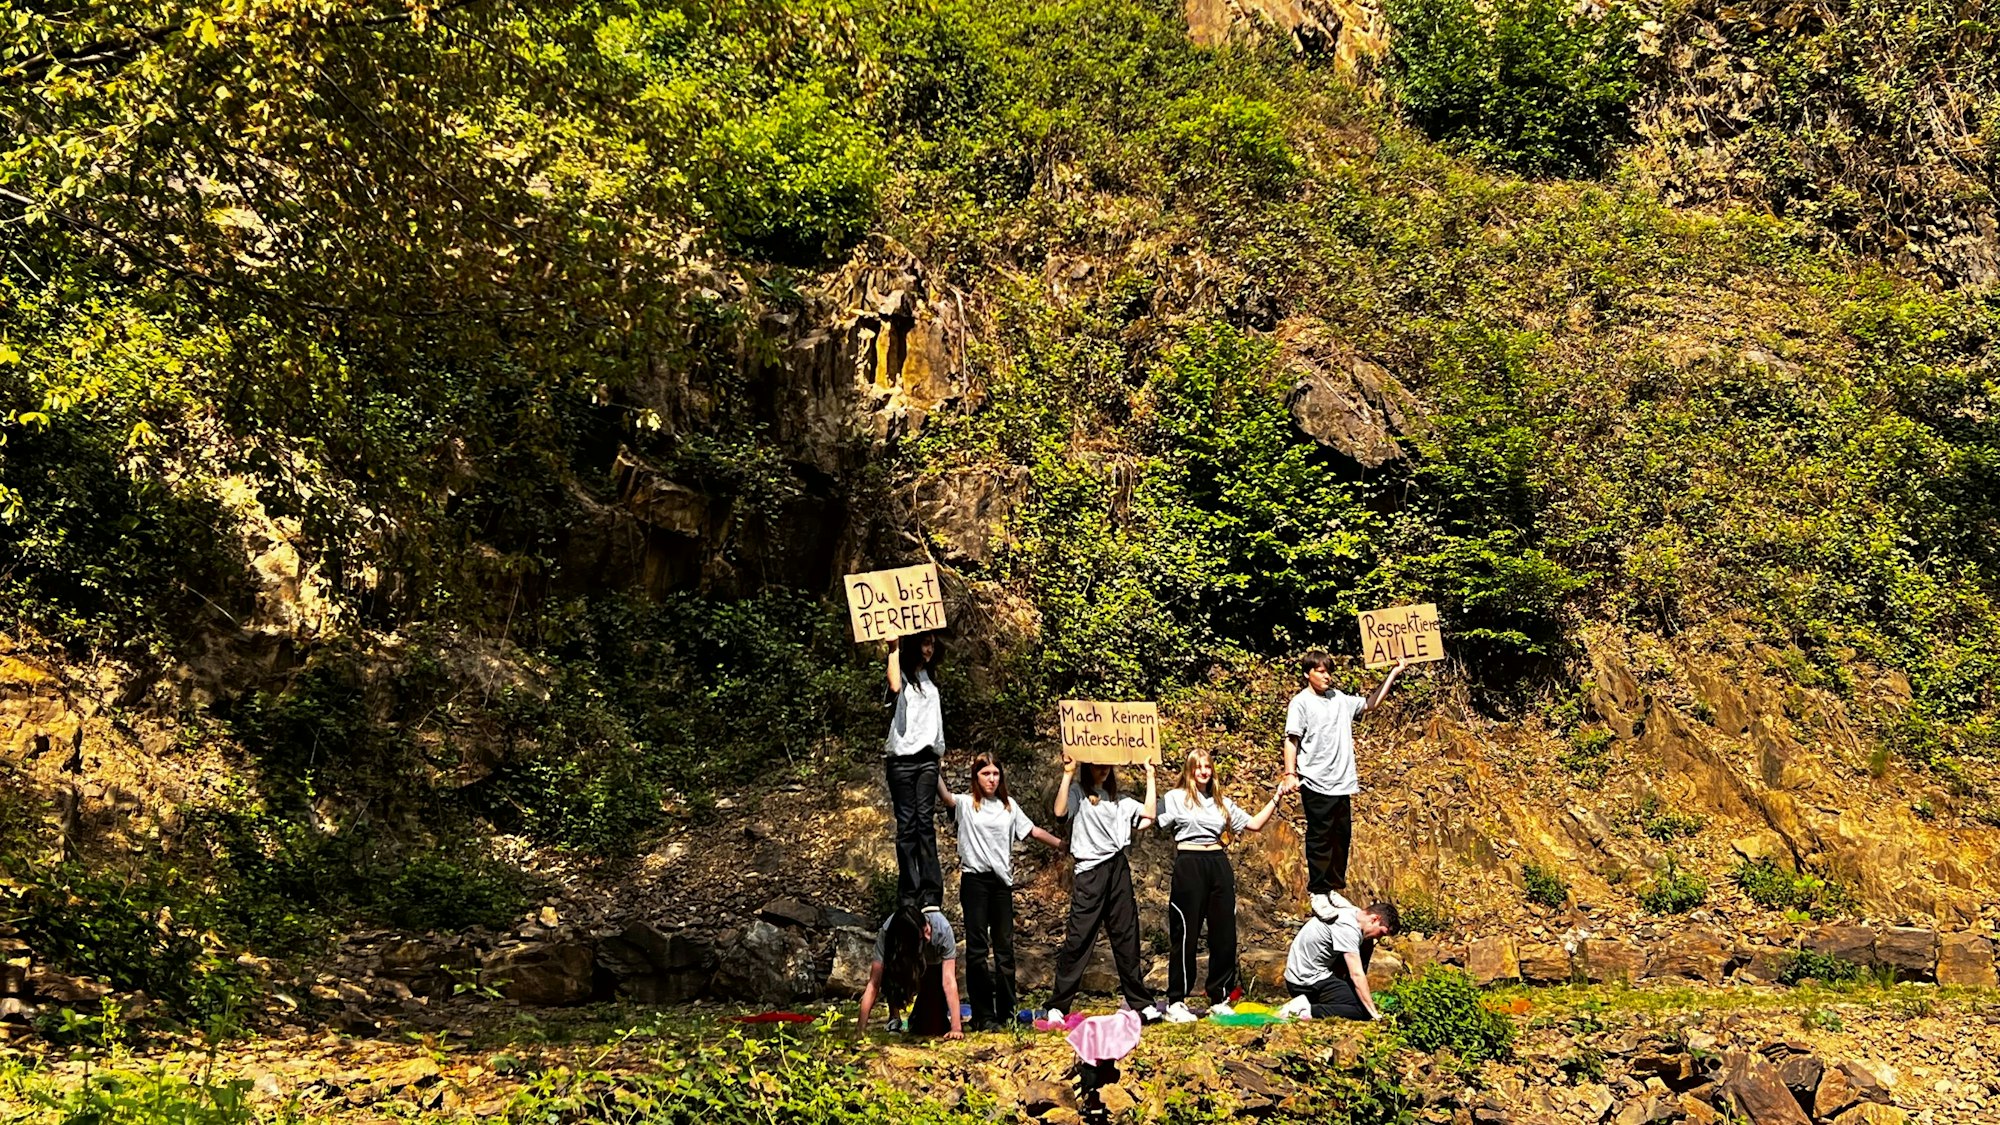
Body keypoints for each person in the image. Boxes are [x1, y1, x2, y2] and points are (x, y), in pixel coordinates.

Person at [938, 754, 1065, 1031]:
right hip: (975, 882)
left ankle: (1007, 1012)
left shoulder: (1009, 806)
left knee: (1005, 949)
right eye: (986, 774)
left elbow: (1032, 831)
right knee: (977, 950)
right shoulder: (965, 804)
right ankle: (984, 1016)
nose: (992, 779)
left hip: (1001, 885)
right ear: (976, 777)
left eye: (996, 773)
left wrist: (1065, 846)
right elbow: (946, 796)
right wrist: (932, 765)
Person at [1154, 748, 1283, 1023]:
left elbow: (1254, 824)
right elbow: (1152, 819)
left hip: (1217, 863)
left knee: (1224, 933)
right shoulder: (1174, 798)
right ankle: (1177, 1000)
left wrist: (1276, 797)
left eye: (1208, 767)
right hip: (1189, 863)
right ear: (1189, 770)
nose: (1204, 771)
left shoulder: (1221, 802)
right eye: (1198, 767)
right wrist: (1150, 776)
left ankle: (1220, 996)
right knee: (1186, 930)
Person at [1281, 652, 1408, 920]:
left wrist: (1394, 673)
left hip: (1342, 782)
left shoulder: (1339, 699)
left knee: (1341, 838)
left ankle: (1332, 888)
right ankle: (1318, 891)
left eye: (1328, 671)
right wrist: (1289, 773)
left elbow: (1370, 704)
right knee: (1320, 839)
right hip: (1315, 781)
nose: (1326, 676)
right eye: (1319, 671)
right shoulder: (1301, 703)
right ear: (1307, 674)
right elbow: (1291, 739)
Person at [1046, 755, 1160, 1023]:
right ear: (1089, 767)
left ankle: (1140, 1003)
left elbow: (1148, 816)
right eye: (1098, 765)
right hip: (1089, 872)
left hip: (1117, 868)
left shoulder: (1120, 799)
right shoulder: (1079, 793)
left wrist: (1151, 776)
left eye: (1108, 765)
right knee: (1079, 937)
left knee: (1126, 936)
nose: (1104, 770)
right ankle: (1058, 1005)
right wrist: (1068, 772)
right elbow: (1060, 812)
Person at [885, 631, 946, 913]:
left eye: (932, 643)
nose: (929, 649)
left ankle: (931, 895)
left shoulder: (931, 679)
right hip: (902, 762)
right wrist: (893, 648)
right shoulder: (904, 676)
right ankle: (909, 895)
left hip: (927, 761)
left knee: (925, 825)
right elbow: (894, 686)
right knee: (906, 827)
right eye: (924, 642)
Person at [1277, 901, 1400, 1021]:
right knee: (1360, 1010)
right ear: (1374, 919)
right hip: (1304, 983)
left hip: (1303, 973)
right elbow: (1356, 974)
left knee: (1367, 943)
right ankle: (1302, 1010)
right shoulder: (1348, 929)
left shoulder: (1353, 913)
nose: (1378, 938)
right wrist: (1374, 1013)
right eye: (1381, 932)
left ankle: (1340, 995)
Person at [858, 905, 964, 1039]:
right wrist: (860, 1030)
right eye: (922, 934)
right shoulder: (887, 933)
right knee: (892, 970)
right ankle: (894, 1018)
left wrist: (956, 1027)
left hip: (933, 970)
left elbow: (949, 980)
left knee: (931, 1027)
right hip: (905, 962)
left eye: (927, 929)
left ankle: (919, 1015)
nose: (928, 936)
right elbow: (874, 983)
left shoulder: (942, 928)